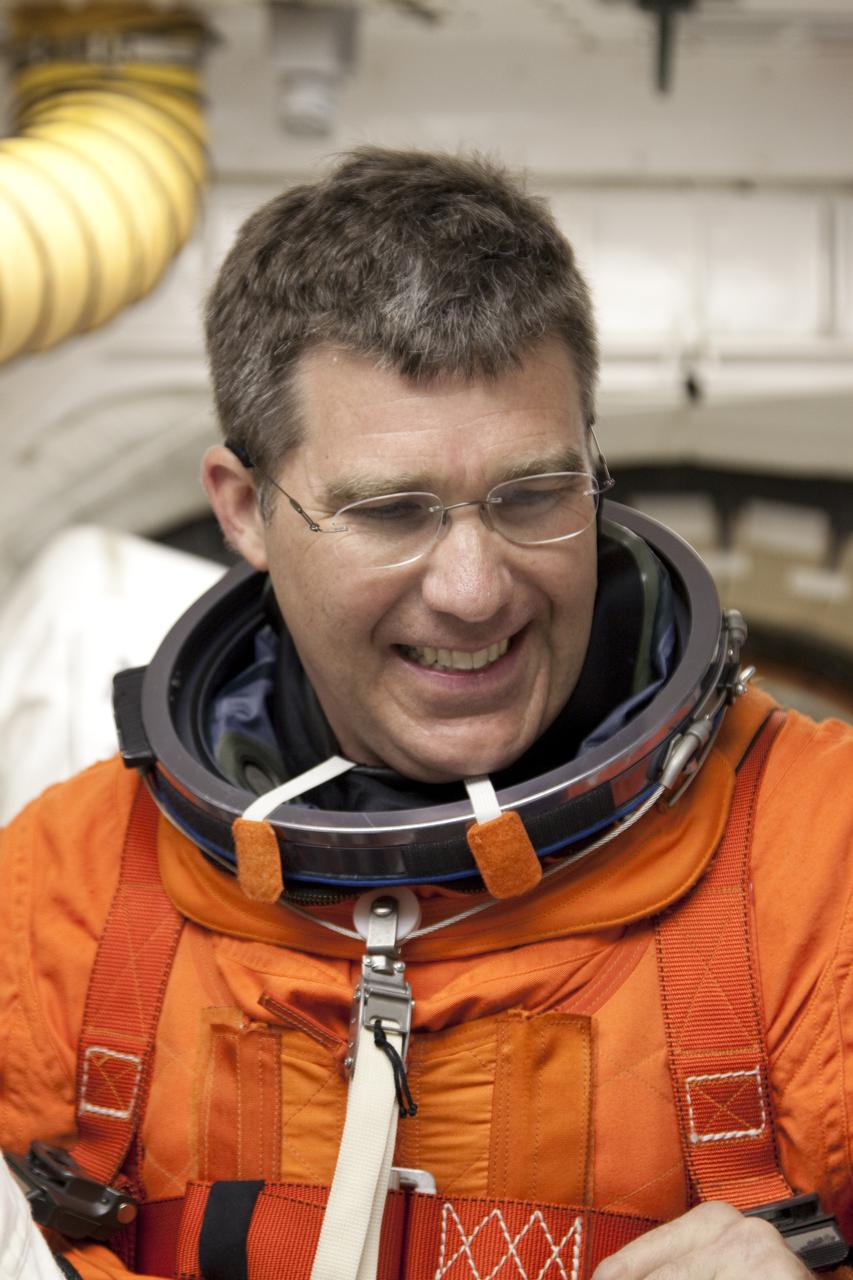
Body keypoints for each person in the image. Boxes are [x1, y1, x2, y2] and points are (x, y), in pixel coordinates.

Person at [1, 147, 852, 1280]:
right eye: (392, 511)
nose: (473, 585)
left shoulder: (819, 863)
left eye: (533, 494)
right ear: (247, 508)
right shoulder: (66, 899)